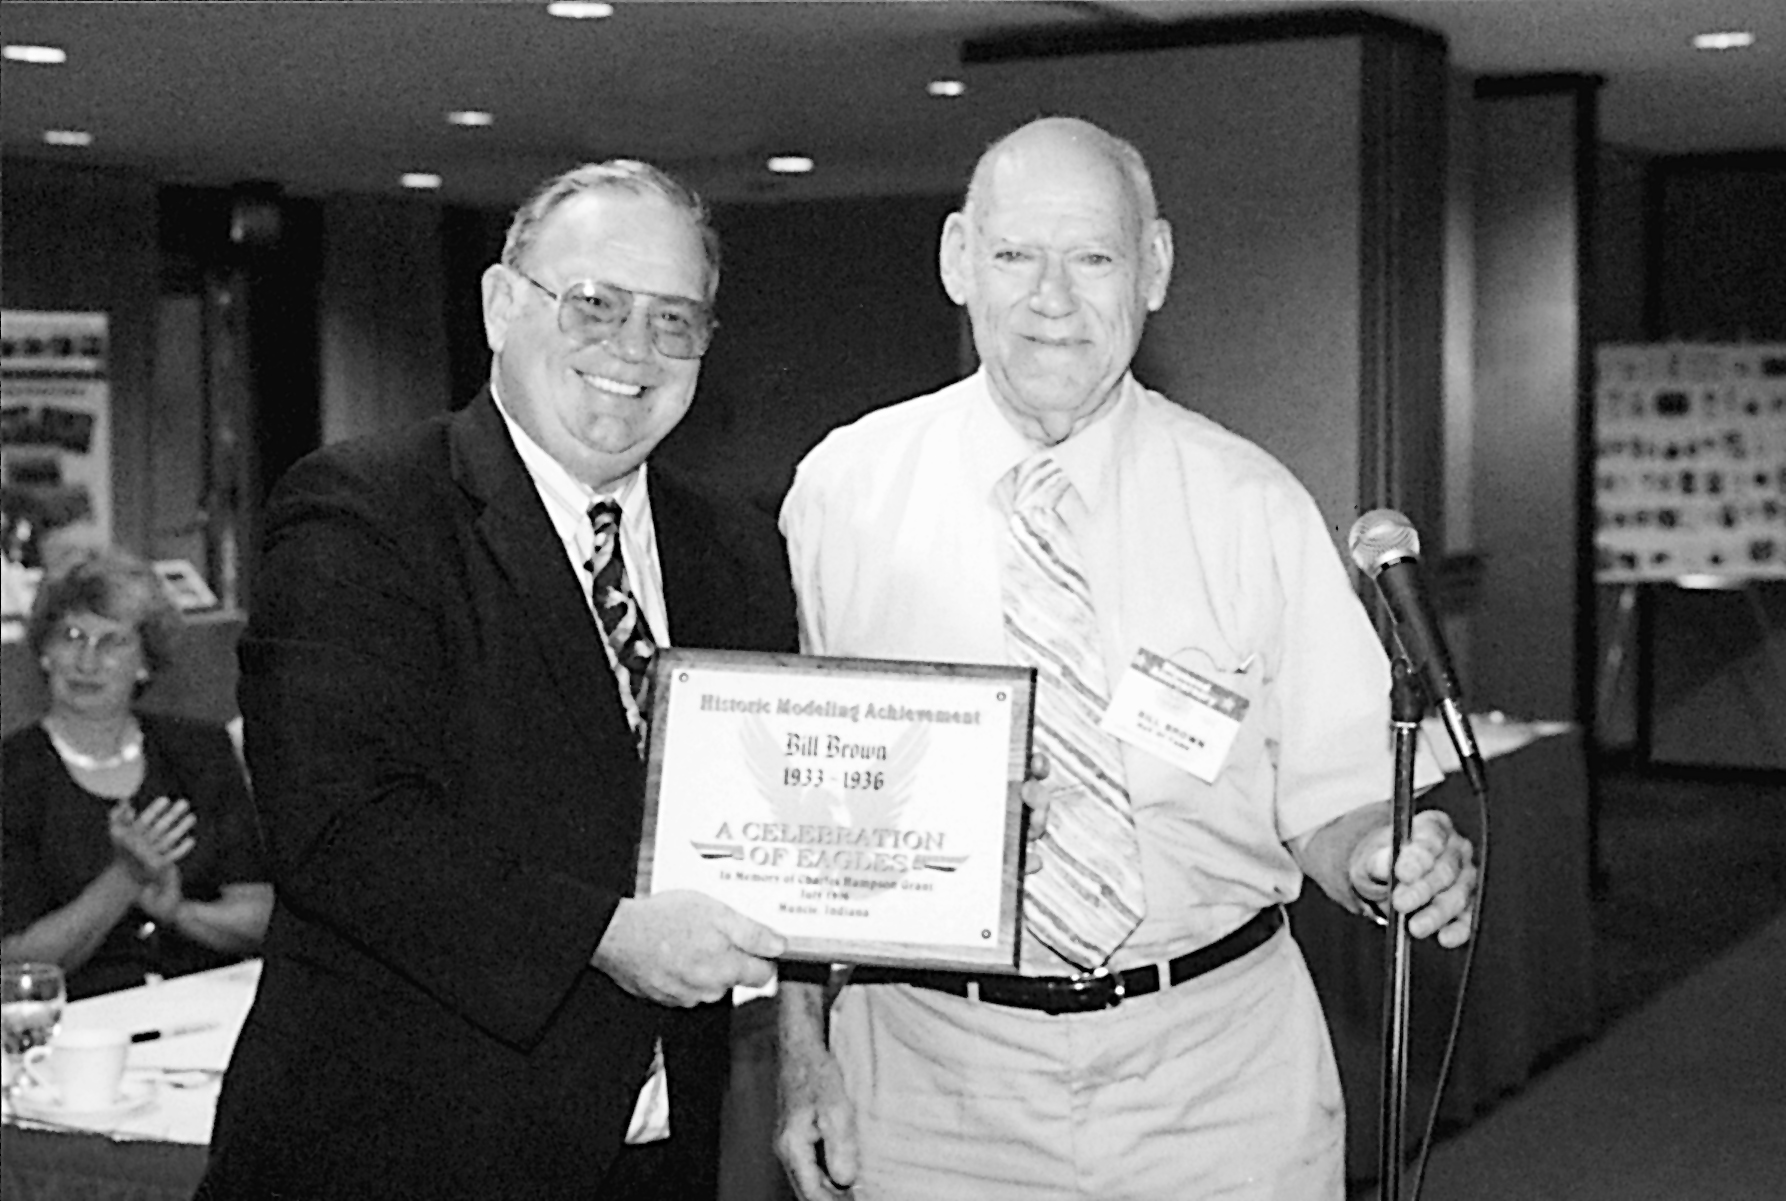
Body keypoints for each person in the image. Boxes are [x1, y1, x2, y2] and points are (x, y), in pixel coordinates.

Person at [774, 117, 1479, 1200]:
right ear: (957, 258)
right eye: (1015, 256)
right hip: (928, 1089)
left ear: (1151, 268)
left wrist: (1386, 853)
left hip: (1216, 1081)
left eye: (1092, 257)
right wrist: (799, 1050)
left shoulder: (1251, 505)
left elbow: (1335, 808)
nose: (1052, 299)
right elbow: (792, 827)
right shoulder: (842, 493)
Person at [194, 160, 797, 1200]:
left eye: (673, 319)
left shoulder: (735, 552)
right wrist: (608, 935)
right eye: (594, 305)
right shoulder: (364, 511)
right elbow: (344, 830)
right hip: (402, 1159)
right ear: (499, 306)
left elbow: (775, 802)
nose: (632, 350)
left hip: (654, 1160)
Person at [2, 548, 272, 1001]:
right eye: (71, 636)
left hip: (205, 1009)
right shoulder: (11, 775)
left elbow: (261, 916)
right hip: (80, 1028)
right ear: (44, 652)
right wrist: (124, 879)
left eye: (113, 642)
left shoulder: (199, 752)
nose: (87, 661)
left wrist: (179, 913)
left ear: (146, 661)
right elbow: (15, 964)